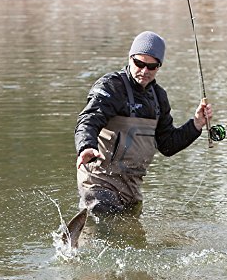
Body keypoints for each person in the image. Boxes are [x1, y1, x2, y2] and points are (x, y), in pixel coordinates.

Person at [74, 31, 212, 217]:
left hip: (132, 188)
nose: (144, 71)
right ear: (130, 58)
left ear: (159, 67)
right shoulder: (111, 86)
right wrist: (86, 146)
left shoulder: (159, 97)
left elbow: (168, 145)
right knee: (108, 228)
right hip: (99, 182)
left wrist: (196, 124)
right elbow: (88, 120)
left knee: (133, 240)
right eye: (139, 63)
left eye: (152, 66)